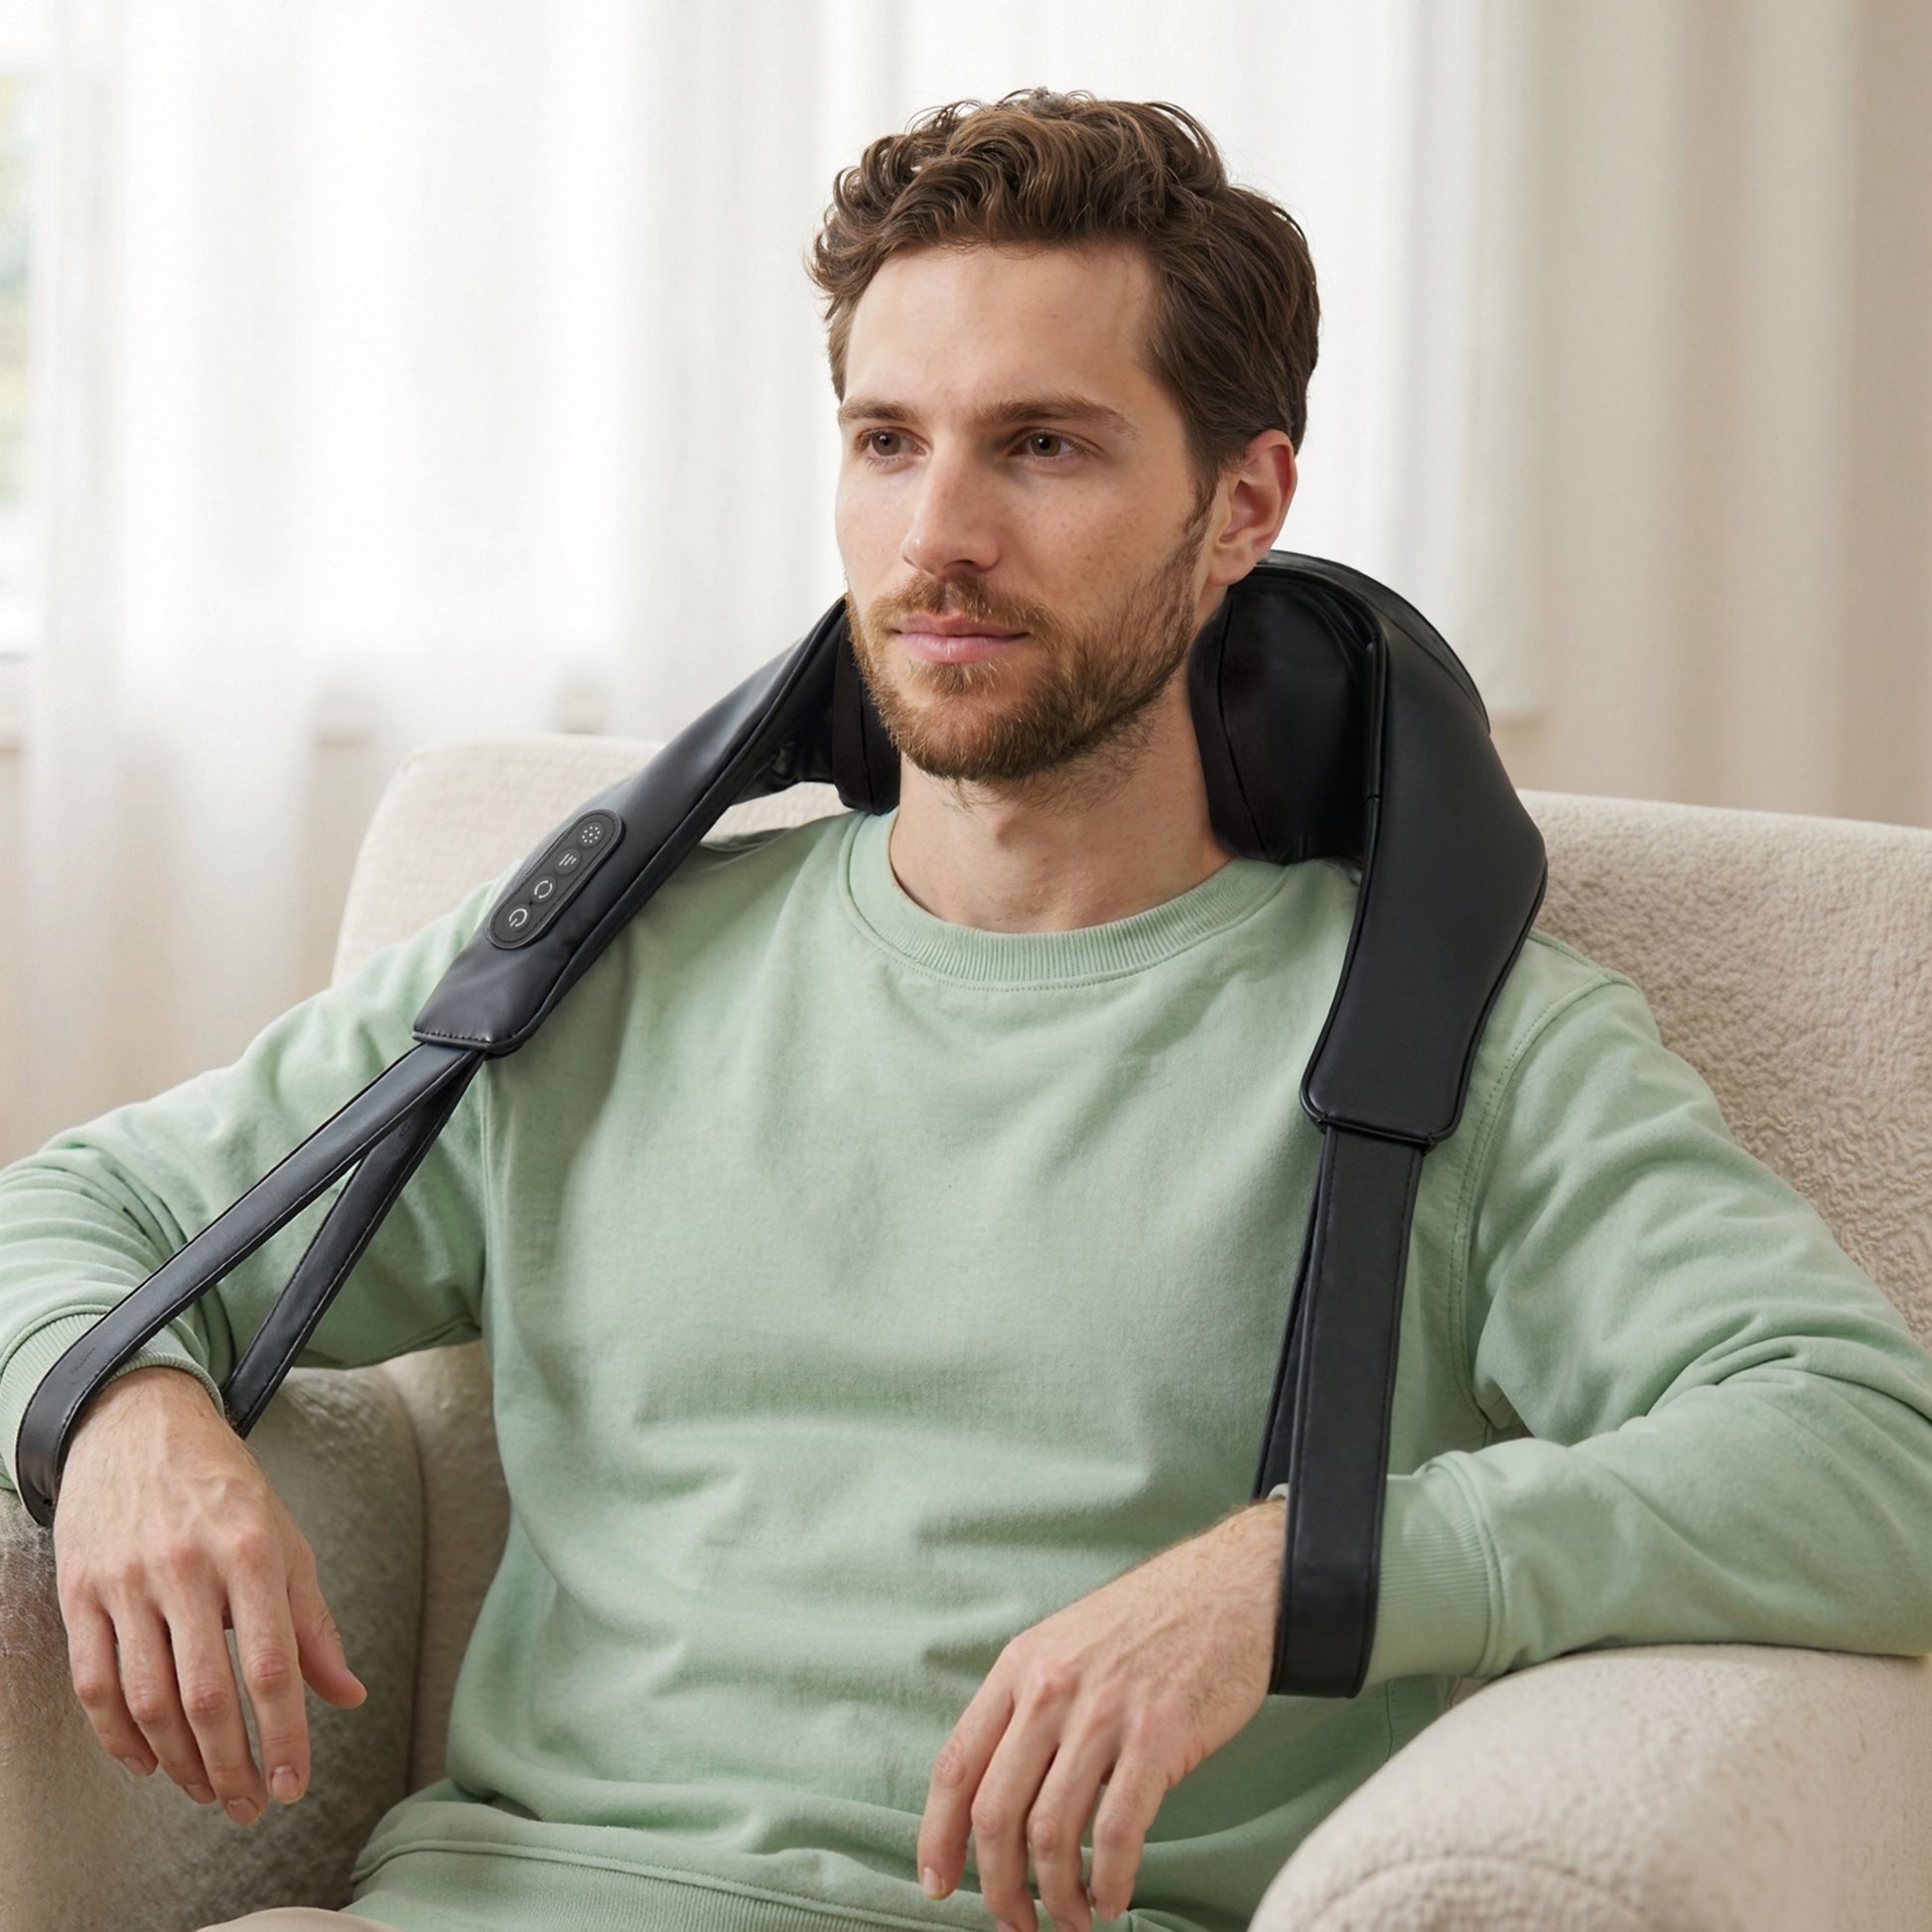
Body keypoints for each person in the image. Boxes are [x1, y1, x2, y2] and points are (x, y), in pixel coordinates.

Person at [3, 88, 1932, 1932]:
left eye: (1044, 445)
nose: (939, 534)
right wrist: (127, 1407)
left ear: (1241, 502)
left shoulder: (1445, 1047)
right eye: (886, 440)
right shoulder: (589, 972)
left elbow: (1869, 1454)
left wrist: (1310, 1564)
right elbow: (78, 1209)